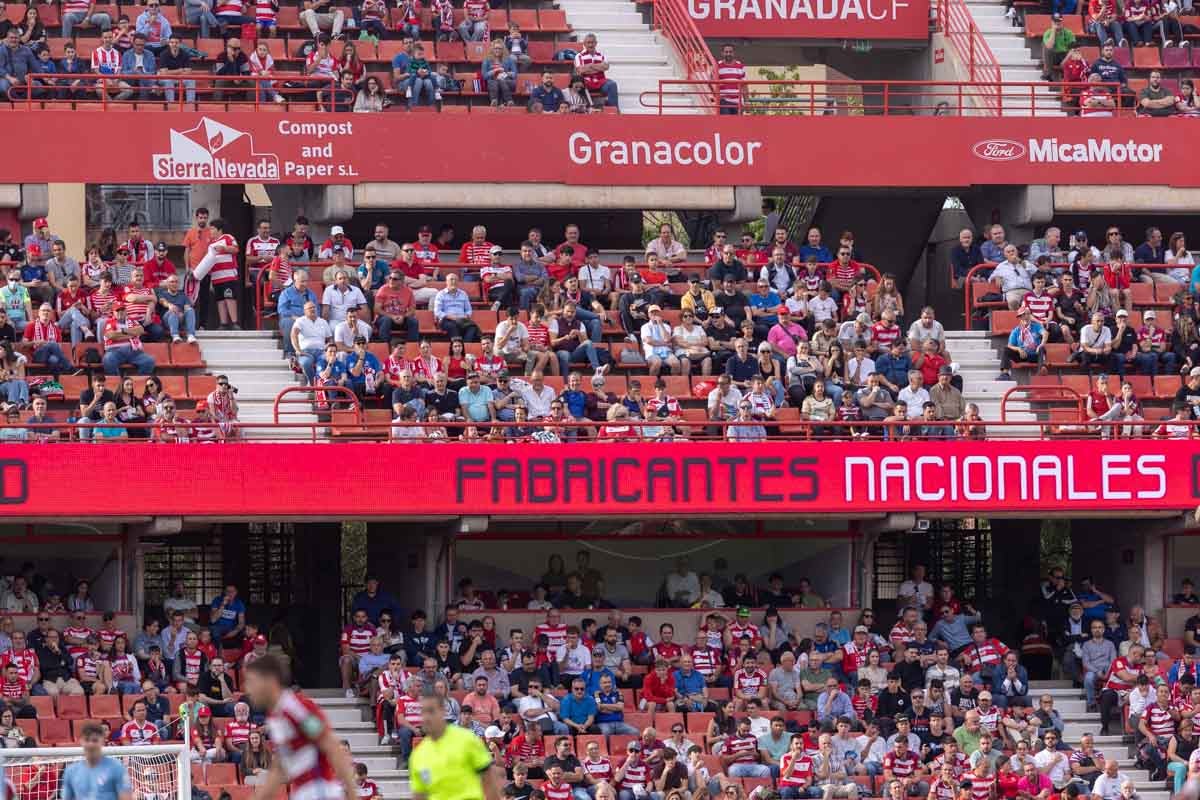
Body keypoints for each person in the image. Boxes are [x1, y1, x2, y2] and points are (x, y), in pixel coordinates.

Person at [241, 655, 359, 800]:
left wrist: (352, 795)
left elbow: (332, 747)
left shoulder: (296, 708)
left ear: (270, 681)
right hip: (303, 792)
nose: (247, 688)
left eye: (251, 682)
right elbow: (279, 768)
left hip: (320, 791)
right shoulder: (275, 716)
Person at [61, 723, 132, 800]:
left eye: (95, 740)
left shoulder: (116, 768)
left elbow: (126, 797)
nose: (90, 744)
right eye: (87, 740)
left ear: (102, 741)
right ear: (81, 741)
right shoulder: (71, 771)